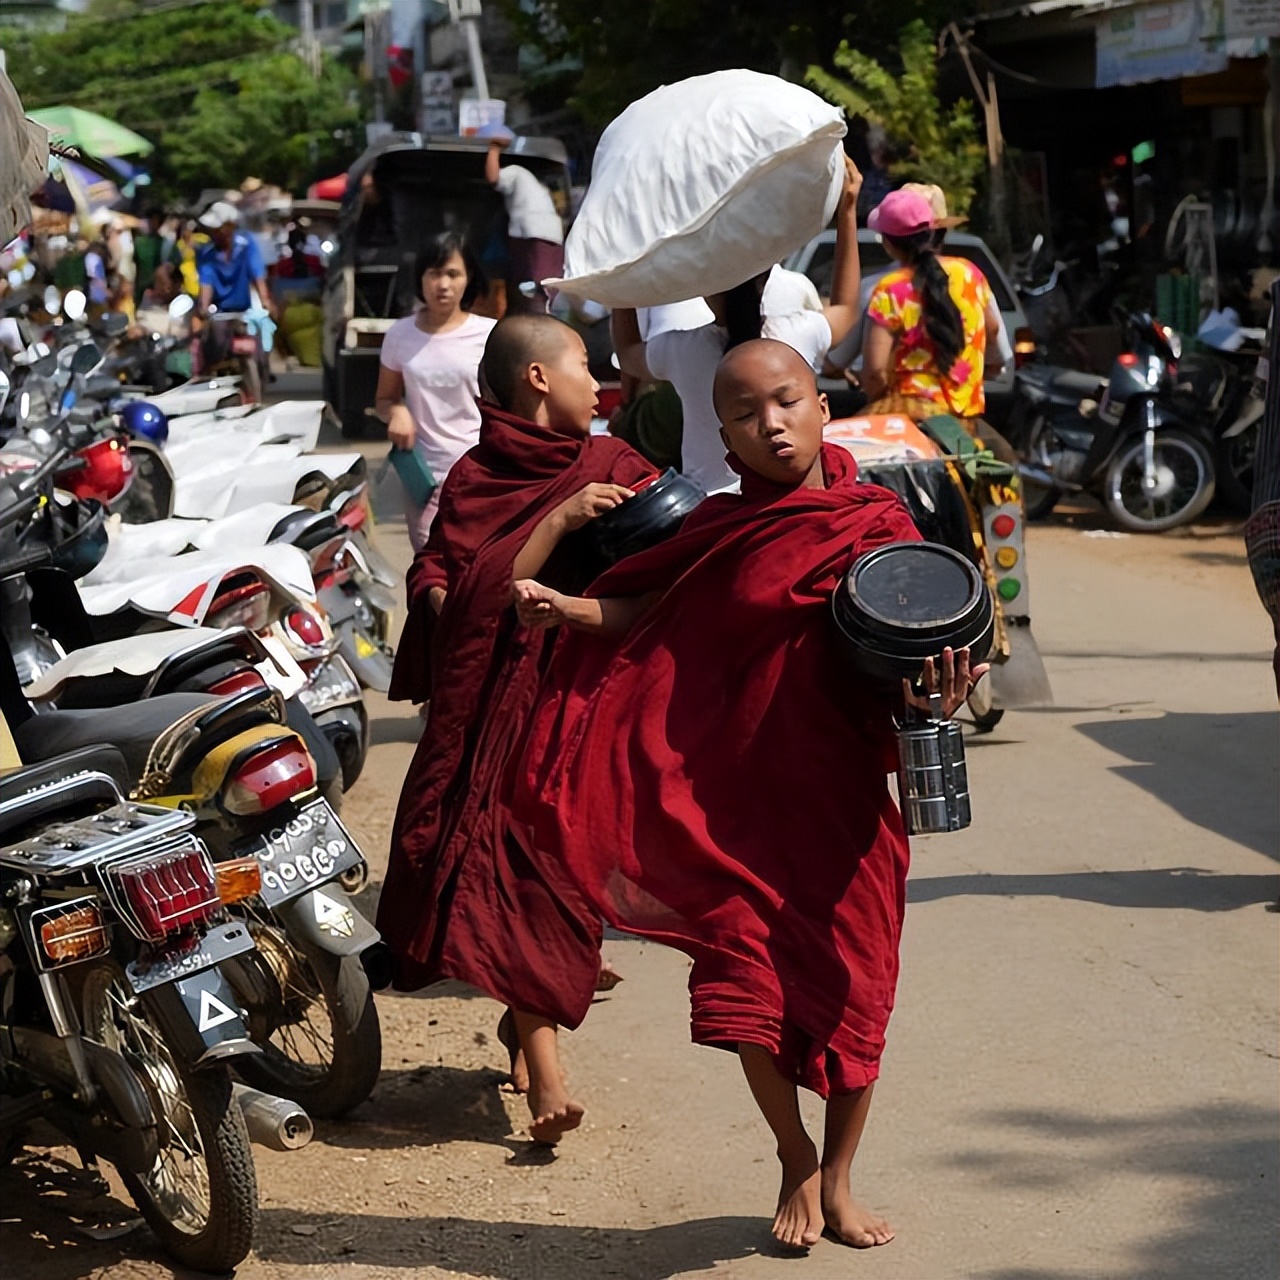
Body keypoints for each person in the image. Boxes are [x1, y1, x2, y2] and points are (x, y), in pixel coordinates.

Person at [509, 339, 986, 1248]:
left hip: (843, 802)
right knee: (746, 986)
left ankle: (839, 1176)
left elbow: (920, 640)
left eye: (787, 401)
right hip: (732, 806)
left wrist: (940, 695)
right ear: (722, 437)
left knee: (857, 984)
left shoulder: (878, 523)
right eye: (744, 413)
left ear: (822, 405)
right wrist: (566, 609)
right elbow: (647, 613)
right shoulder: (719, 532)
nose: (771, 424)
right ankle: (793, 1154)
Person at [377, 314, 656, 1144]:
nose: (598, 383)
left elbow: (672, 549)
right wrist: (557, 524)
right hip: (501, 709)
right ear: (538, 378)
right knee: (521, 877)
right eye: (583, 365)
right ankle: (549, 1079)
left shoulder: (612, 462)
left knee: (562, 877)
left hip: (582, 708)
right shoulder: (478, 475)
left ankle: (522, 1025)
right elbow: (463, 584)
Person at [611, 156, 865, 495]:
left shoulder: (683, 351)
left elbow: (628, 353)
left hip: (708, 506)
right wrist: (847, 210)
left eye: (786, 403)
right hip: (795, 503)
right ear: (767, 276)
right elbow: (846, 308)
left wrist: (619, 271)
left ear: (700, 288)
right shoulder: (794, 336)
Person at [859, 189, 1013, 460]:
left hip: (907, 418)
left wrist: (878, 400)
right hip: (962, 421)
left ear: (888, 244)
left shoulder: (890, 289)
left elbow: (874, 372)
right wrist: (976, 375)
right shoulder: (969, 273)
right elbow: (993, 330)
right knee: (1003, 462)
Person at [374, 232, 496, 550]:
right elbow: (384, 399)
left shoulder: (490, 335)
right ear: (420, 278)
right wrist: (397, 412)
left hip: (480, 473)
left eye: (453, 274)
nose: (443, 284)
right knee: (431, 565)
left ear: (469, 278)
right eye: (434, 273)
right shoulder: (399, 335)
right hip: (424, 478)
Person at [195, 201, 274, 397]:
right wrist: (203, 307)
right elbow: (206, 283)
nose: (213, 233)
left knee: (260, 351)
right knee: (210, 351)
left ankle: (259, 387)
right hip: (219, 313)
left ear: (229, 226)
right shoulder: (207, 253)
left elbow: (257, 273)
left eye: (218, 228)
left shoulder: (246, 245)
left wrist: (265, 300)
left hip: (245, 312)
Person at [484, 133, 565, 315]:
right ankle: (542, 310)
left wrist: (494, 149)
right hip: (551, 237)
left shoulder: (516, 172)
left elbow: (493, 178)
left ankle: (532, 312)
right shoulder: (540, 186)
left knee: (529, 283)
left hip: (530, 233)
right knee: (546, 282)